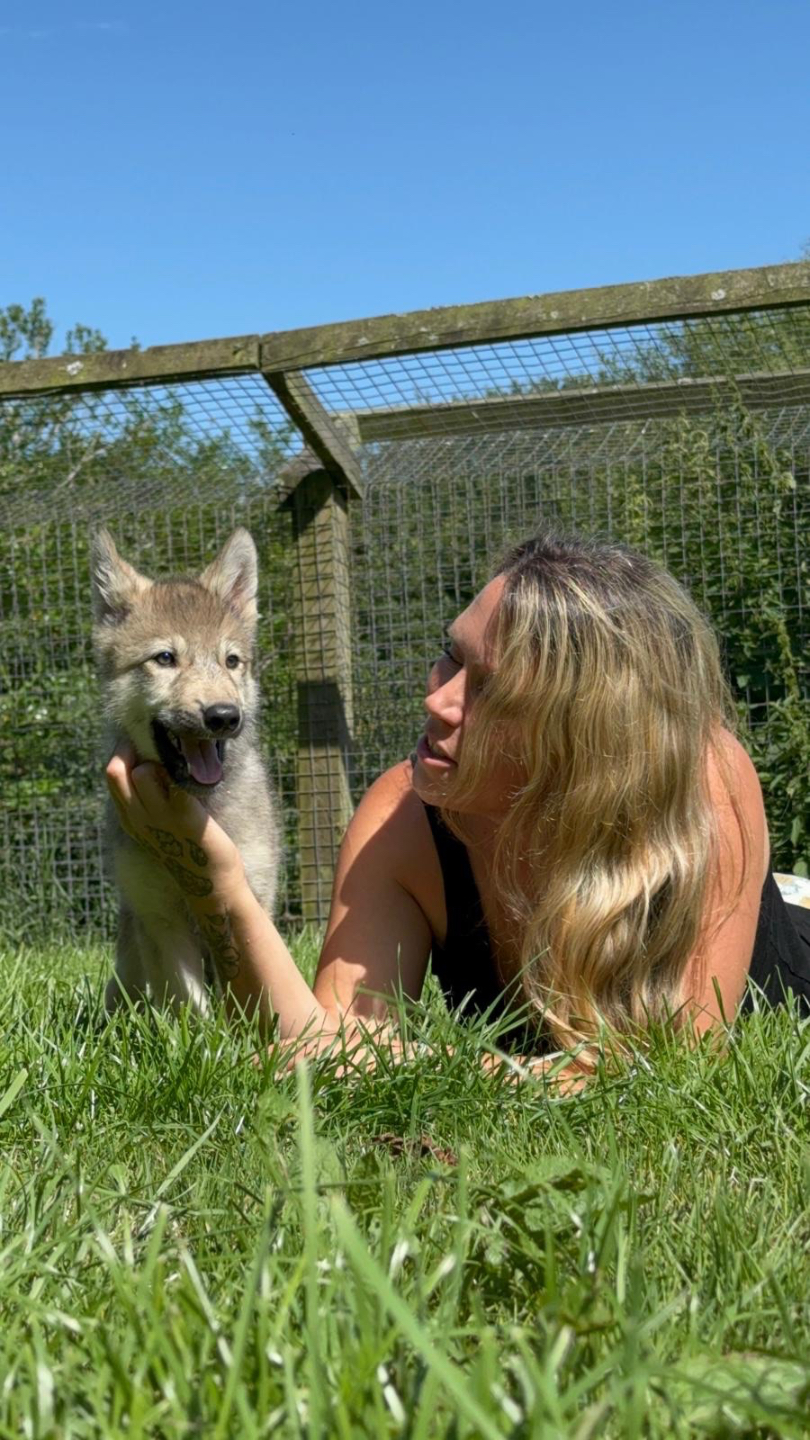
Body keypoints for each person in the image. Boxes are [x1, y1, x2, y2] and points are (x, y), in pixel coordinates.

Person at [105, 528, 810, 1079]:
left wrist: (435, 1064)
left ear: (586, 728)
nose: (438, 698)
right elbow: (319, 1045)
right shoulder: (401, 815)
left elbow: (675, 1072)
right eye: (452, 655)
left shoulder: (703, 780)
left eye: (490, 688)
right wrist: (215, 878)